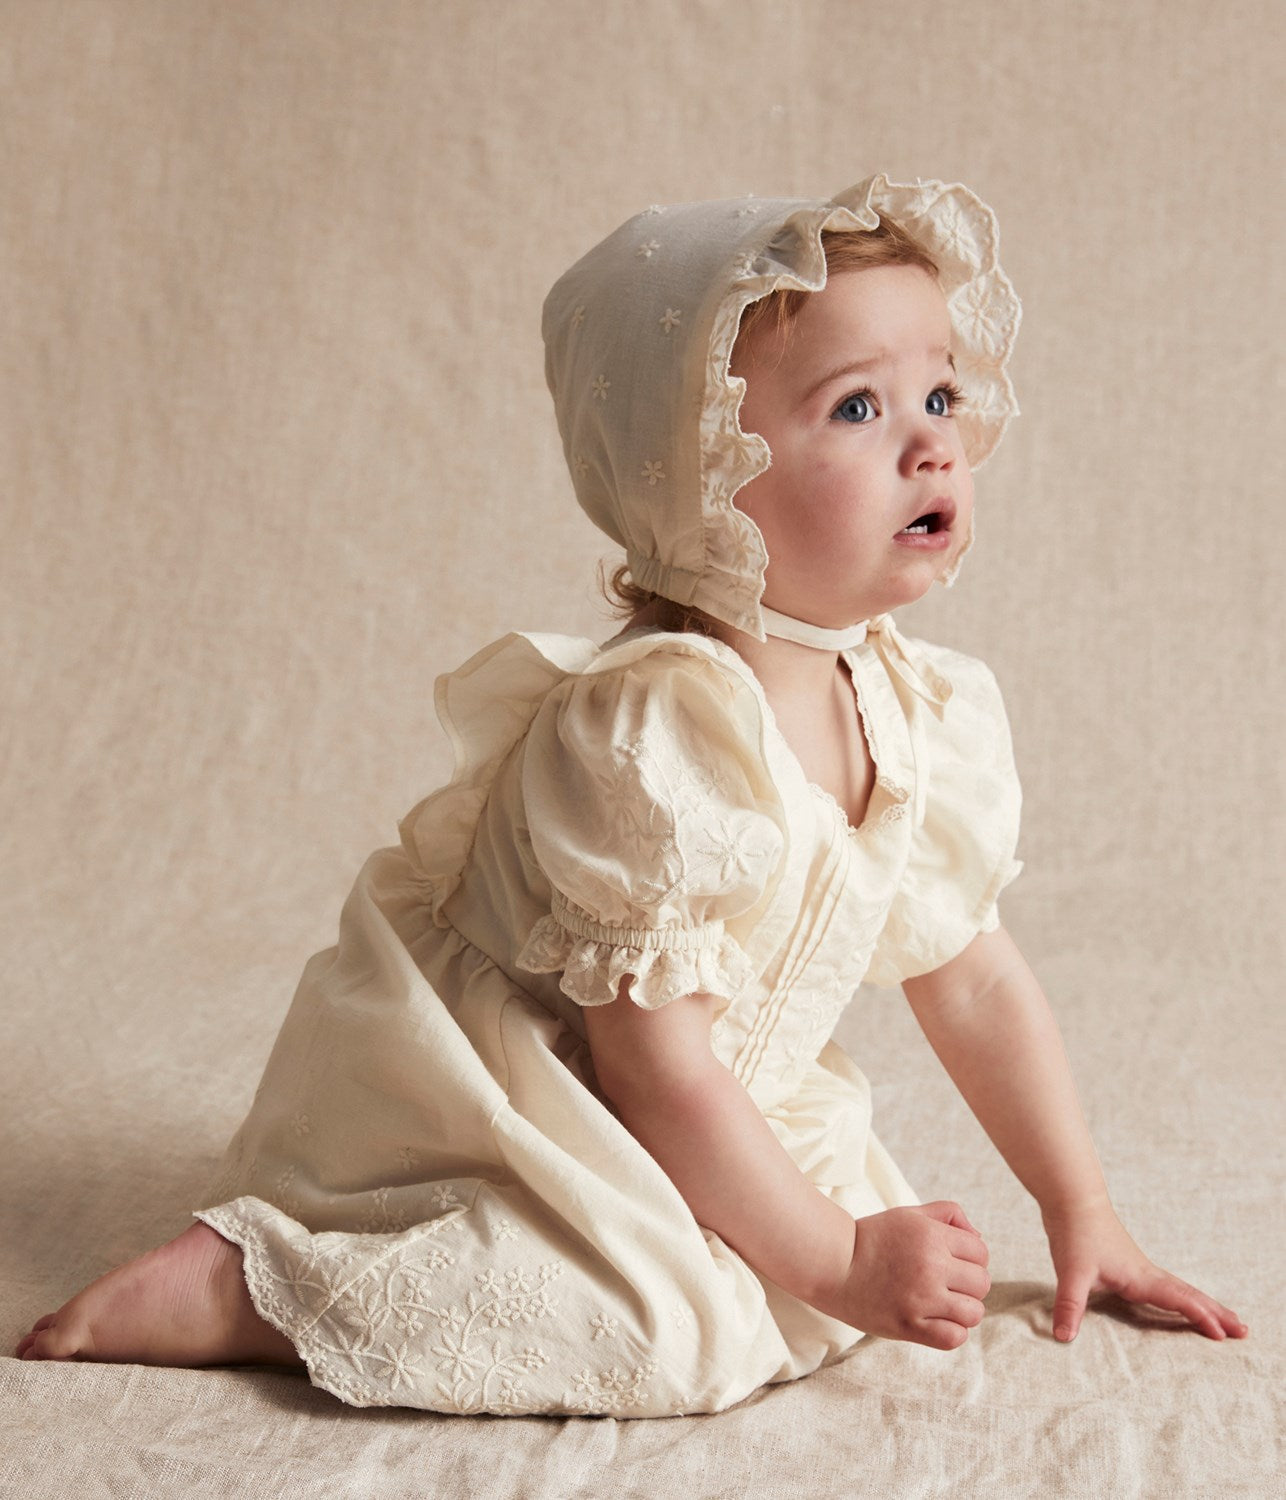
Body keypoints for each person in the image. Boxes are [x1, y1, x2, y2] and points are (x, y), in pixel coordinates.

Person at [15, 175, 1246, 1416]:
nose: (929, 443)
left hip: (720, 1092)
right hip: (520, 1095)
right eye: (857, 407)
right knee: (675, 1332)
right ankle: (261, 1285)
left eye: (936, 396)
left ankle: (726, 1240)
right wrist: (832, 1256)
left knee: (843, 1266)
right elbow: (649, 1069)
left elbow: (969, 976)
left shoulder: (917, 713)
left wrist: (1079, 1210)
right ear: (699, 480)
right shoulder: (661, 728)